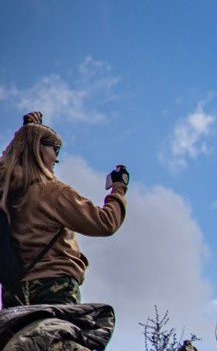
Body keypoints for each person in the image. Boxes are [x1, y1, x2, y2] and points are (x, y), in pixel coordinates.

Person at [0, 111, 128, 308]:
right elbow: (105, 223)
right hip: (53, 286)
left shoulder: (6, 194)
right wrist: (119, 189)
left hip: (13, 294)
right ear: (38, 149)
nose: (56, 159)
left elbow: (8, 163)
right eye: (56, 150)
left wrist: (27, 133)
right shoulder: (52, 193)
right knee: (63, 338)